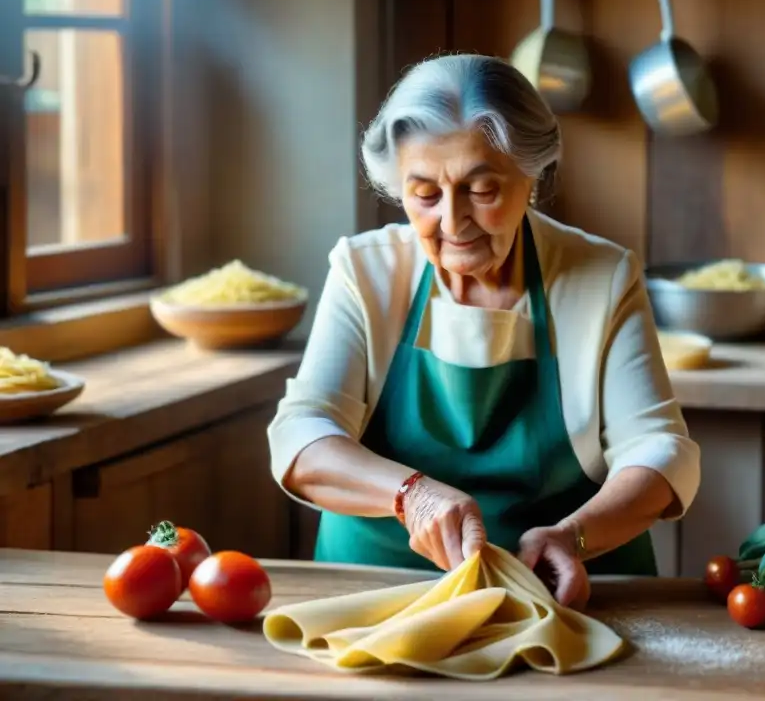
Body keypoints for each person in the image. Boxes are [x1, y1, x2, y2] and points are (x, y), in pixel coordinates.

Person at [267, 53, 700, 608]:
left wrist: (573, 537)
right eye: (424, 193)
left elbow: (660, 452)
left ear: (531, 176)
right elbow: (302, 437)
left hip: (559, 592)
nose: (452, 221)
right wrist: (410, 497)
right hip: (379, 591)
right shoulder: (364, 271)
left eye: (482, 189)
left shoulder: (602, 275)